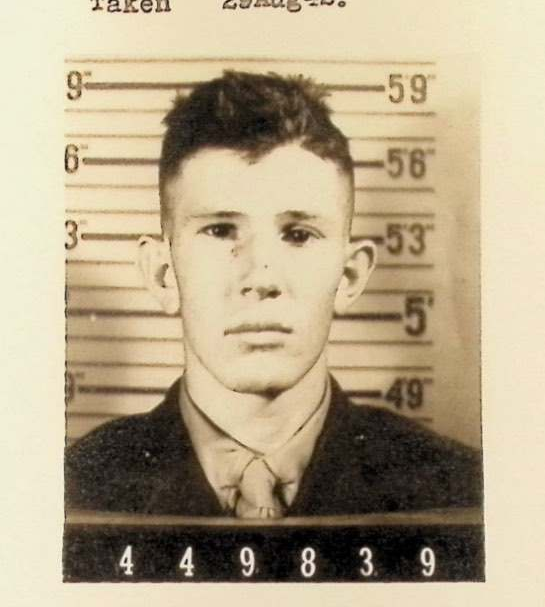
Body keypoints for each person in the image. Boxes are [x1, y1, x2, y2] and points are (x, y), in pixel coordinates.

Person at [65, 71, 481, 518]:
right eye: (220, 230)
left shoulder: (459, 491)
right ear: (164, 275)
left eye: (299, 235)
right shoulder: (70, 489)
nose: (261, 279)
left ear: (349, 277)